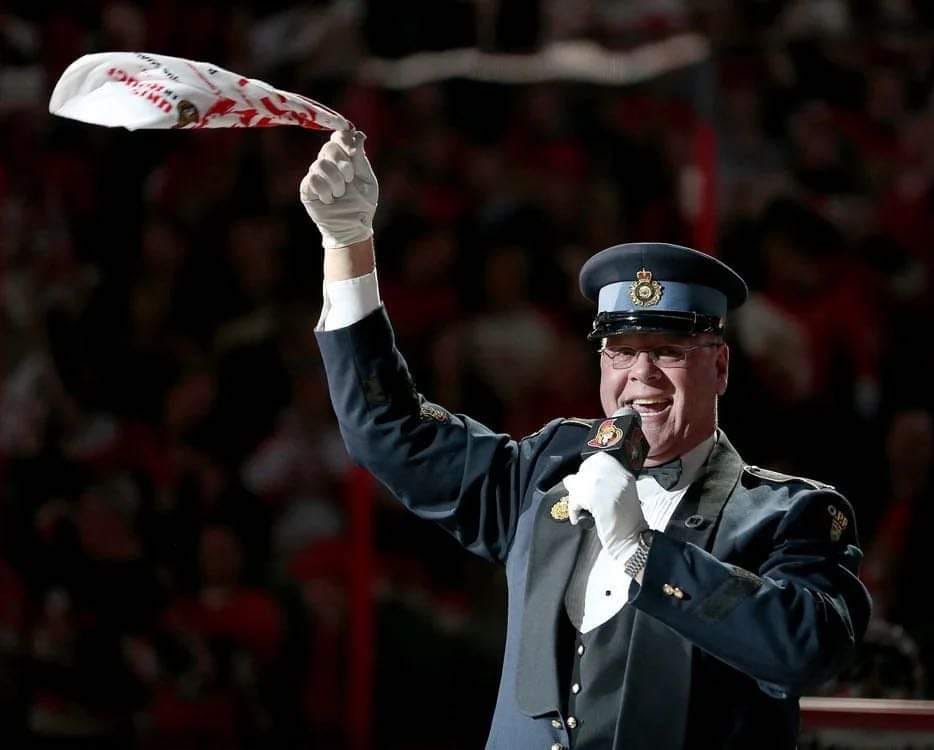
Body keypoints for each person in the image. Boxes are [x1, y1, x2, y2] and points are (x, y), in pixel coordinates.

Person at [301, 128, 871, 749]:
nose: (641, 376)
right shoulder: (548, 467)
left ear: (721, 367)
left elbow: (808, 648)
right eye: (621, 351)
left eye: (668, 352)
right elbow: (392, 434)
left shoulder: (790, 515)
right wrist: (347, 245)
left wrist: (639, 549)